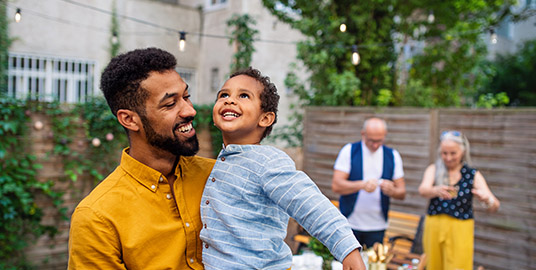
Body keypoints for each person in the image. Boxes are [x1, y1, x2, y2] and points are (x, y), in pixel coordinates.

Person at [199, 67, 366, 270]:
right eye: (223, 95)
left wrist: (347, 249)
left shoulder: (268, 162)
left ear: (265, 118)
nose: (229, 100)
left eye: (244, 95)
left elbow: (310, 205)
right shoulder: (225, 160)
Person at [68, 48, 215, 269]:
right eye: (170, 103)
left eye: (186, 96)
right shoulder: (97, 218)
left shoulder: (218, 176)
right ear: (129, 119)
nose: (190, 111)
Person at [418, 130, 500, 270]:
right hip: (434, 225)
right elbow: (423, 190)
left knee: (458, 266)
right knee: (433, 265)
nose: (448, 158)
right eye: (444, 153)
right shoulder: (434, 169)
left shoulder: (472, 174)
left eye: (453, 153)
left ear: (463, 152)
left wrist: (486, 199)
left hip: (460, 228)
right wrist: (435, 190)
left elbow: (495, 205)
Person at [332, 118, 406, 248]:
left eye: (379, 140)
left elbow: (402, 193)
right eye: (371, 140)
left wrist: (392, 191)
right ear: (363, 134)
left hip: (378, 226)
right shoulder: (349, 151)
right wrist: (362, 185)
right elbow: (336, 185)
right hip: (349, 224)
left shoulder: (393, 155)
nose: (375, 145)